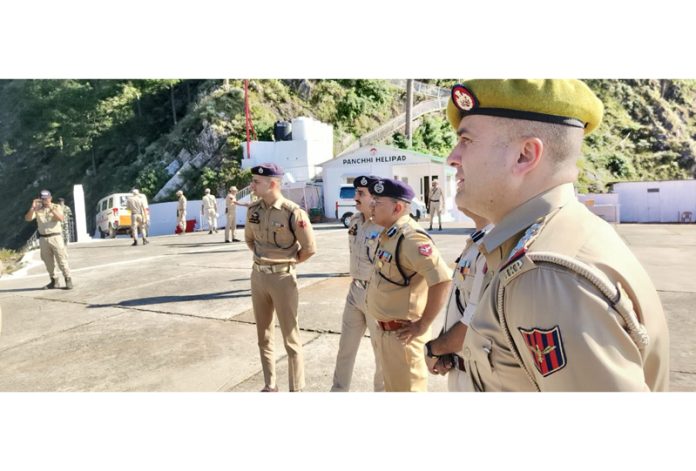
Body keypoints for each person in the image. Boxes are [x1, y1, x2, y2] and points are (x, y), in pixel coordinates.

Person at [444, 79, 669, 391]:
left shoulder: (546, 274)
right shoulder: (549, 239)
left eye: (466, 141)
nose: (452, 157)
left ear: (525, 155)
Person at [365, 178, 451, 392]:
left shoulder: (411, 238)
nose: (371, 206)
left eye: (378, 202)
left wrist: (423, 324)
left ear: (398, 207)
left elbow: (442, 280)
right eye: (372, 201)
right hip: (386, 334)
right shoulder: (390, 234)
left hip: (402, 337)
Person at [244, 163, 317, 392]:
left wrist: (288, 262)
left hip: (283, 279)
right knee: (263, 335)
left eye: (257, 181)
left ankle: (296, 388)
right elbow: (249, 240)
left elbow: (309, 248)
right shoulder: (253, 210)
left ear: (272, 183)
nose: (252, 185)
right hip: (258, 277)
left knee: (290, 338)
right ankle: (270, 385)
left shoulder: (293, 212)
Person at [424, 209, 492, 391]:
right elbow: (461, 306)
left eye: (468, 177)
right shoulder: (478, 241)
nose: (459, 179)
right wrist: (444, 346)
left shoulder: (493, 244)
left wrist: (434, 349)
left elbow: (475, 321)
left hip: (478, 377)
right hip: (459, 367)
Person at [330, 175, 384, 392]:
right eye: (356, 193)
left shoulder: (384, 225)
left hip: (376, 294)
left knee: (380, 351)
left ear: (374, 198)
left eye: (361, 193)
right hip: (355, 291)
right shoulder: (354, 221)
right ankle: (338, 391)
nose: (355, 197)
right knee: (346, 348)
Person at [24, 190, 73, 289]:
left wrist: (50, 207)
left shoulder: (56, 207)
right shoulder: (37, 209)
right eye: (42, 198)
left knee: (61, 259)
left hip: (56, 237)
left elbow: (61, 218)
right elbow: (28, 218)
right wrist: (33, 207)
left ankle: (68, 279)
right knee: (48, 261)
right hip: (43, 239)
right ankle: (54, 281)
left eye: (46, 198)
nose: (44, 200)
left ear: (50, 198)